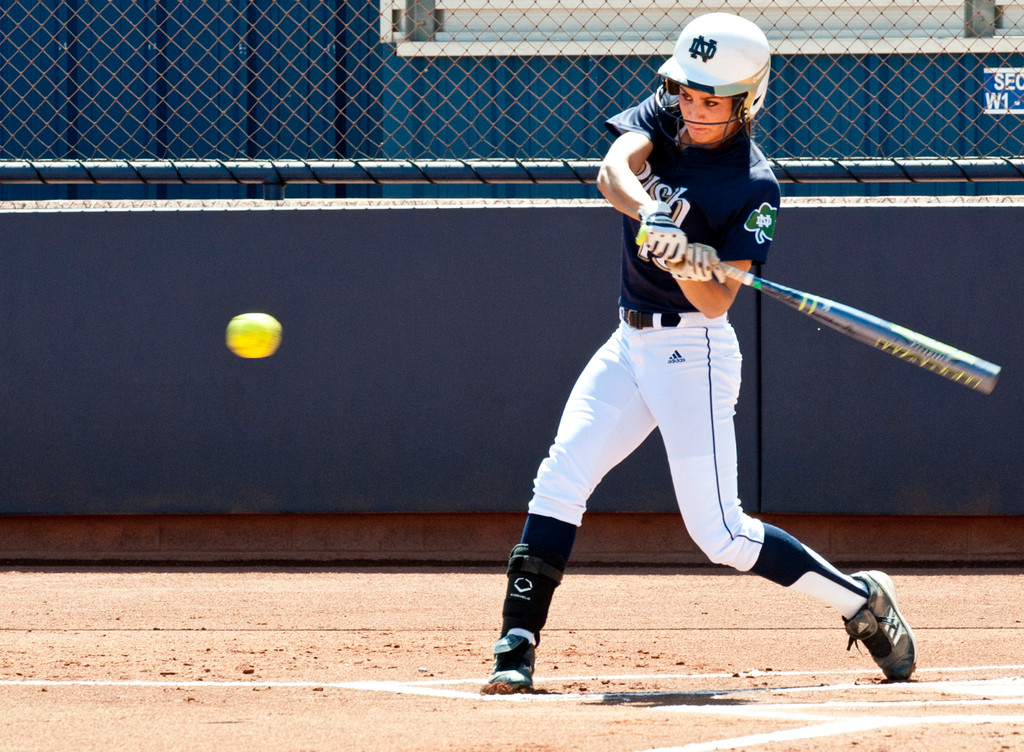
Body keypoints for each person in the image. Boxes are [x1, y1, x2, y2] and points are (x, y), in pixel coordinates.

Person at [481, 12, 916, 695]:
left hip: (694, 349)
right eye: (687, 92)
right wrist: (652, 218)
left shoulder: (754, 186)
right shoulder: (665, 116)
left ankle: (862, 601)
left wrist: (689, 263)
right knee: (561, 475)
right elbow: (611, 172)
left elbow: (715, 303)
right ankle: (517, 640)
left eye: (710, 100)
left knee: (720, 535)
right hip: (630, 340)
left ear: (746, 103)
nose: (691, 107)